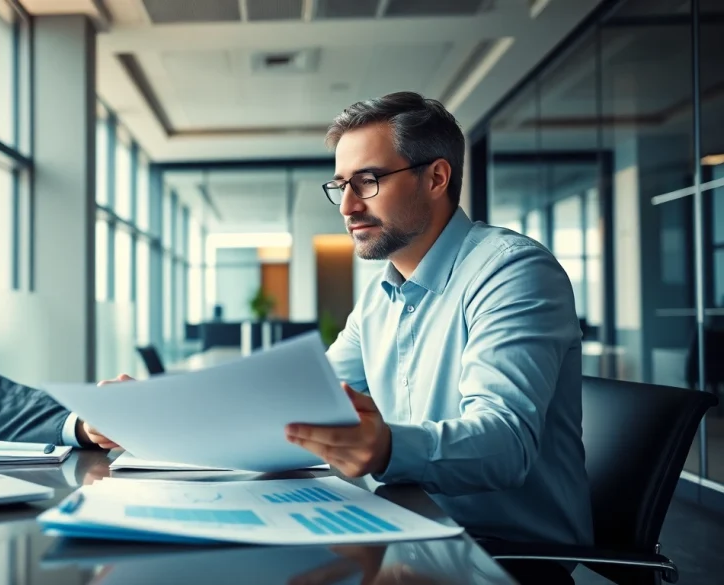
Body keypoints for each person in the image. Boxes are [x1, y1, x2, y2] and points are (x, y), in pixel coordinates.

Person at [41, 92, 592, 583]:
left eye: (368, 181)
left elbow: (505, 442)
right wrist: (147, 414)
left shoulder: (512, 271)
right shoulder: (383, 294)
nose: (349, 206)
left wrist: (387, 446)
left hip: (498, 558)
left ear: (436, 177)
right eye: (341, 186)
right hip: (403, 531)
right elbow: (297, 400)